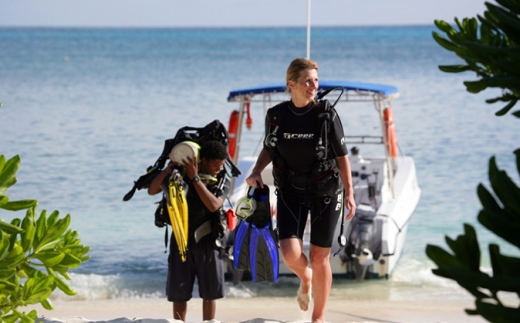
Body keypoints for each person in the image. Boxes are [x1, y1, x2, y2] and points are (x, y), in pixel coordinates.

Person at [245, 57, 356, 323]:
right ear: (291, 84)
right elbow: (269, 148)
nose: (313, 85)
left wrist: (350, 192)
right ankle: (305, 278)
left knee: (320, 258)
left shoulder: (326, 115)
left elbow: (342, 157)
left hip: (326, 192)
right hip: (291, 191)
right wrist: (256, 170)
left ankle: (318, 317)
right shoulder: (277, 116)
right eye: (307, 81)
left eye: (316, 80)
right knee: (290, 254)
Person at [148, 140, 230, 322]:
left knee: (210, 292)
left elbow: (213, 205)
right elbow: (152, 190)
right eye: (215, 164)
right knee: (179, 291)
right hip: (181, 238)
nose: (218, 168)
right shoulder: (179, 178)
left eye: (221, 165)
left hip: (208, 240)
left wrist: (195, 179)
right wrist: (167, 171)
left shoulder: (222, 181)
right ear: (204, 160)